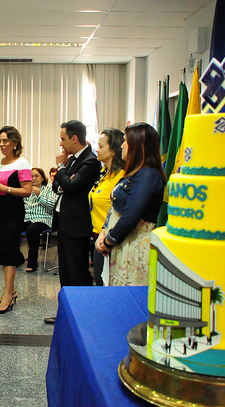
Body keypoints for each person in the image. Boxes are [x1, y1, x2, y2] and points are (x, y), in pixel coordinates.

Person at [96, 123, 166, 286]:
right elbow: (114, 208)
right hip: (121, 243)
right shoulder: (133, 174)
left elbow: (130, 215)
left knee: (128, 296)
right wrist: (104, 232)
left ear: (137, 146)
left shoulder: (148, 175)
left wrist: (109, 241)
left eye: (126, 141)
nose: (121, 145)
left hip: (133, 246)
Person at [45, 120, 100, 325]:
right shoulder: (72, 160)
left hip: (78, 225)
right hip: (65, 222)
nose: (61, 143)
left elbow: (69, 185)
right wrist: (64, 177)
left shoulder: (90, 161)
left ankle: (82, 315)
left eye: (63, 138)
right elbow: (57, 186)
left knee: (77, 272)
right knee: (66, 272)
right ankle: (67, 314)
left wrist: (61, 169)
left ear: (74, 138)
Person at [0, 126, 32, 314]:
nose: (2, 144)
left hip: (13, 211)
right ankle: (11, 291)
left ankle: (7, 296)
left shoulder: (22, 163)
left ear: (15, 143)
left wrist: (5, 189)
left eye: (5, 140)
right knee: (1, 249)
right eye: (0, 140)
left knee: (9, 251)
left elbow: (27, 191)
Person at [88, 128, 125, 286]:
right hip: (97, 237)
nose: (97, 149)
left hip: (111, 242)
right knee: (100, 282)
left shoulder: (121, 177)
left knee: (107, 286)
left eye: (101, 146)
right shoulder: (103, 173)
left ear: (114, 150)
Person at [23, 167, 57, 272]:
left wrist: (39, 194)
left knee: (32, 230)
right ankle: (16, 257)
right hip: (28, 218)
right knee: (12, 227)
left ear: (43, 178)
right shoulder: (27, 190)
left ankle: (32, 263)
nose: (33, 178)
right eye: (31, 176)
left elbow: (53, 206)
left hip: (43, 218)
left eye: (36, 176)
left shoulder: (50, 188)